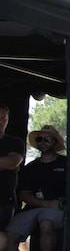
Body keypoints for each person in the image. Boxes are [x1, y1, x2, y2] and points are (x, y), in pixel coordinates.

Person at [0, 125, 66, 251]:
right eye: (39, 139)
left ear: (56, 142)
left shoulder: (67, 164)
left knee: (46, 223)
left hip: (58, 210)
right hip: (34, 208)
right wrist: (44, 203)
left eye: (47, 139)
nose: (42, 142)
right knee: (7, 237)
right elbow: (23, 194)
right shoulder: (30, 168)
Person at [0, 104, 25, 243]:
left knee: (5, 240)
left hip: (4, 202)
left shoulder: (14, 142)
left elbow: (12, 162)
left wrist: (8, 165)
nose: (1, 122)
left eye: (4, 118)